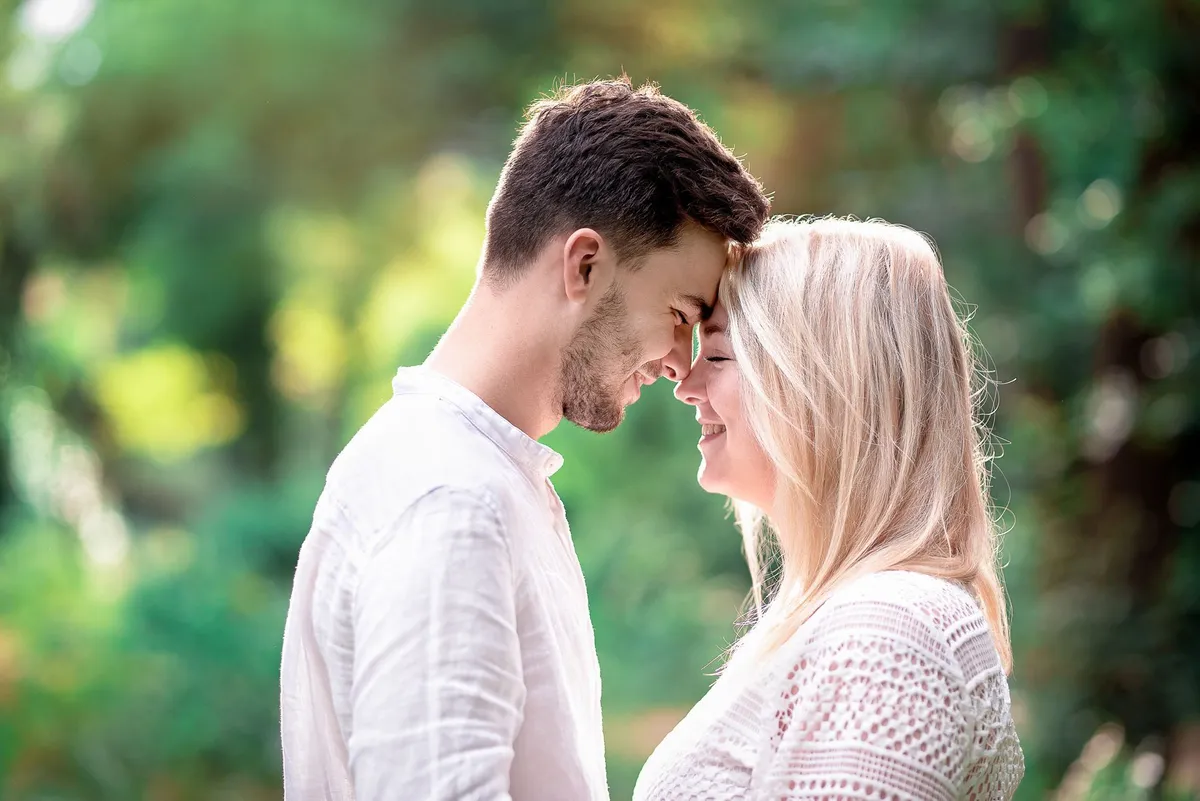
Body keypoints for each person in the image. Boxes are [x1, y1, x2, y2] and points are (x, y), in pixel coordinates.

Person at [279, 77, 770, 800]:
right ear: (584, 265)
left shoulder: (481, 478)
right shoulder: (451, 501)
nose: (679, 362)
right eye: (678, 311)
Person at [634, 217, 1024, 800]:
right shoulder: (857, 614)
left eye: (716, 356)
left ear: (819, 384)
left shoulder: (889, 630)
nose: (685, 385)